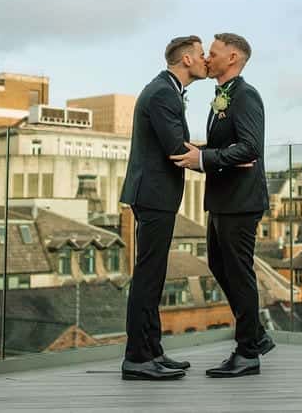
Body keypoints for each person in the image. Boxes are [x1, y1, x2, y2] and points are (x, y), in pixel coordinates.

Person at [171, 32, 273, 378]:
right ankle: (256, 334)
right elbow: (230, 149)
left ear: (232, 58)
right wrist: (198, 151)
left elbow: (250, 148)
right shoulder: (222, 96)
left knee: (239, 273)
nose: (207, 59)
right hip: (223, 200)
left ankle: (248, 353)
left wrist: (204, 158)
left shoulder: (245, 96)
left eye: (213, 54)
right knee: (219, 265)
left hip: (241, 202)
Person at [119, 35, 208, 381]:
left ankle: (152, 351)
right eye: (201, 55)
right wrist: (221, 156)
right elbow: (176, 148)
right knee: (148, 277)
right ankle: (137, 358)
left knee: (152, 275)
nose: (205, 60)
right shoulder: (162, 93)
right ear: (186, 59)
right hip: (153, 195)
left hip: (155, 195)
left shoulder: (165, 89)